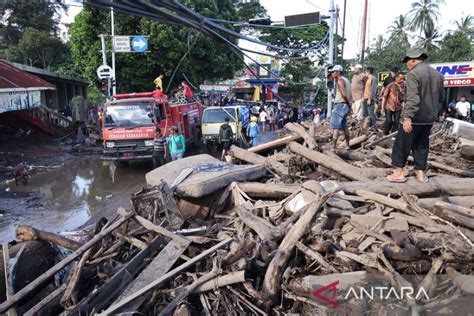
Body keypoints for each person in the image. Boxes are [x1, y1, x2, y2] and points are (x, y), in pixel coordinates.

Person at [388, 48, 444, 183]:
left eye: (407, 62)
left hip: (414, 118)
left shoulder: (414, 74)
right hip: (429, 118)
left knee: (401, 145)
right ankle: (420, 173)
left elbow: (413, 99)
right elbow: (441, 98)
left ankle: (399, 173)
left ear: (413, 60)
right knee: (422, 145)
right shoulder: (438, 75)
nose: (406, 65)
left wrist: (407, 117)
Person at [328, 65, 352, 149]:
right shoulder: (347, 80)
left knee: (336, 126)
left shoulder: (340, 81)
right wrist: (349, 105)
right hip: (345, 105)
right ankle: (347, 145)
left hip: (340, 104)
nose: (332, 73)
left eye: (333, 72)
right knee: (344, 126)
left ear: (338, 72)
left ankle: (333, 147)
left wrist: (348, 103)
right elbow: (349, 94)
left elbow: (344, 94)